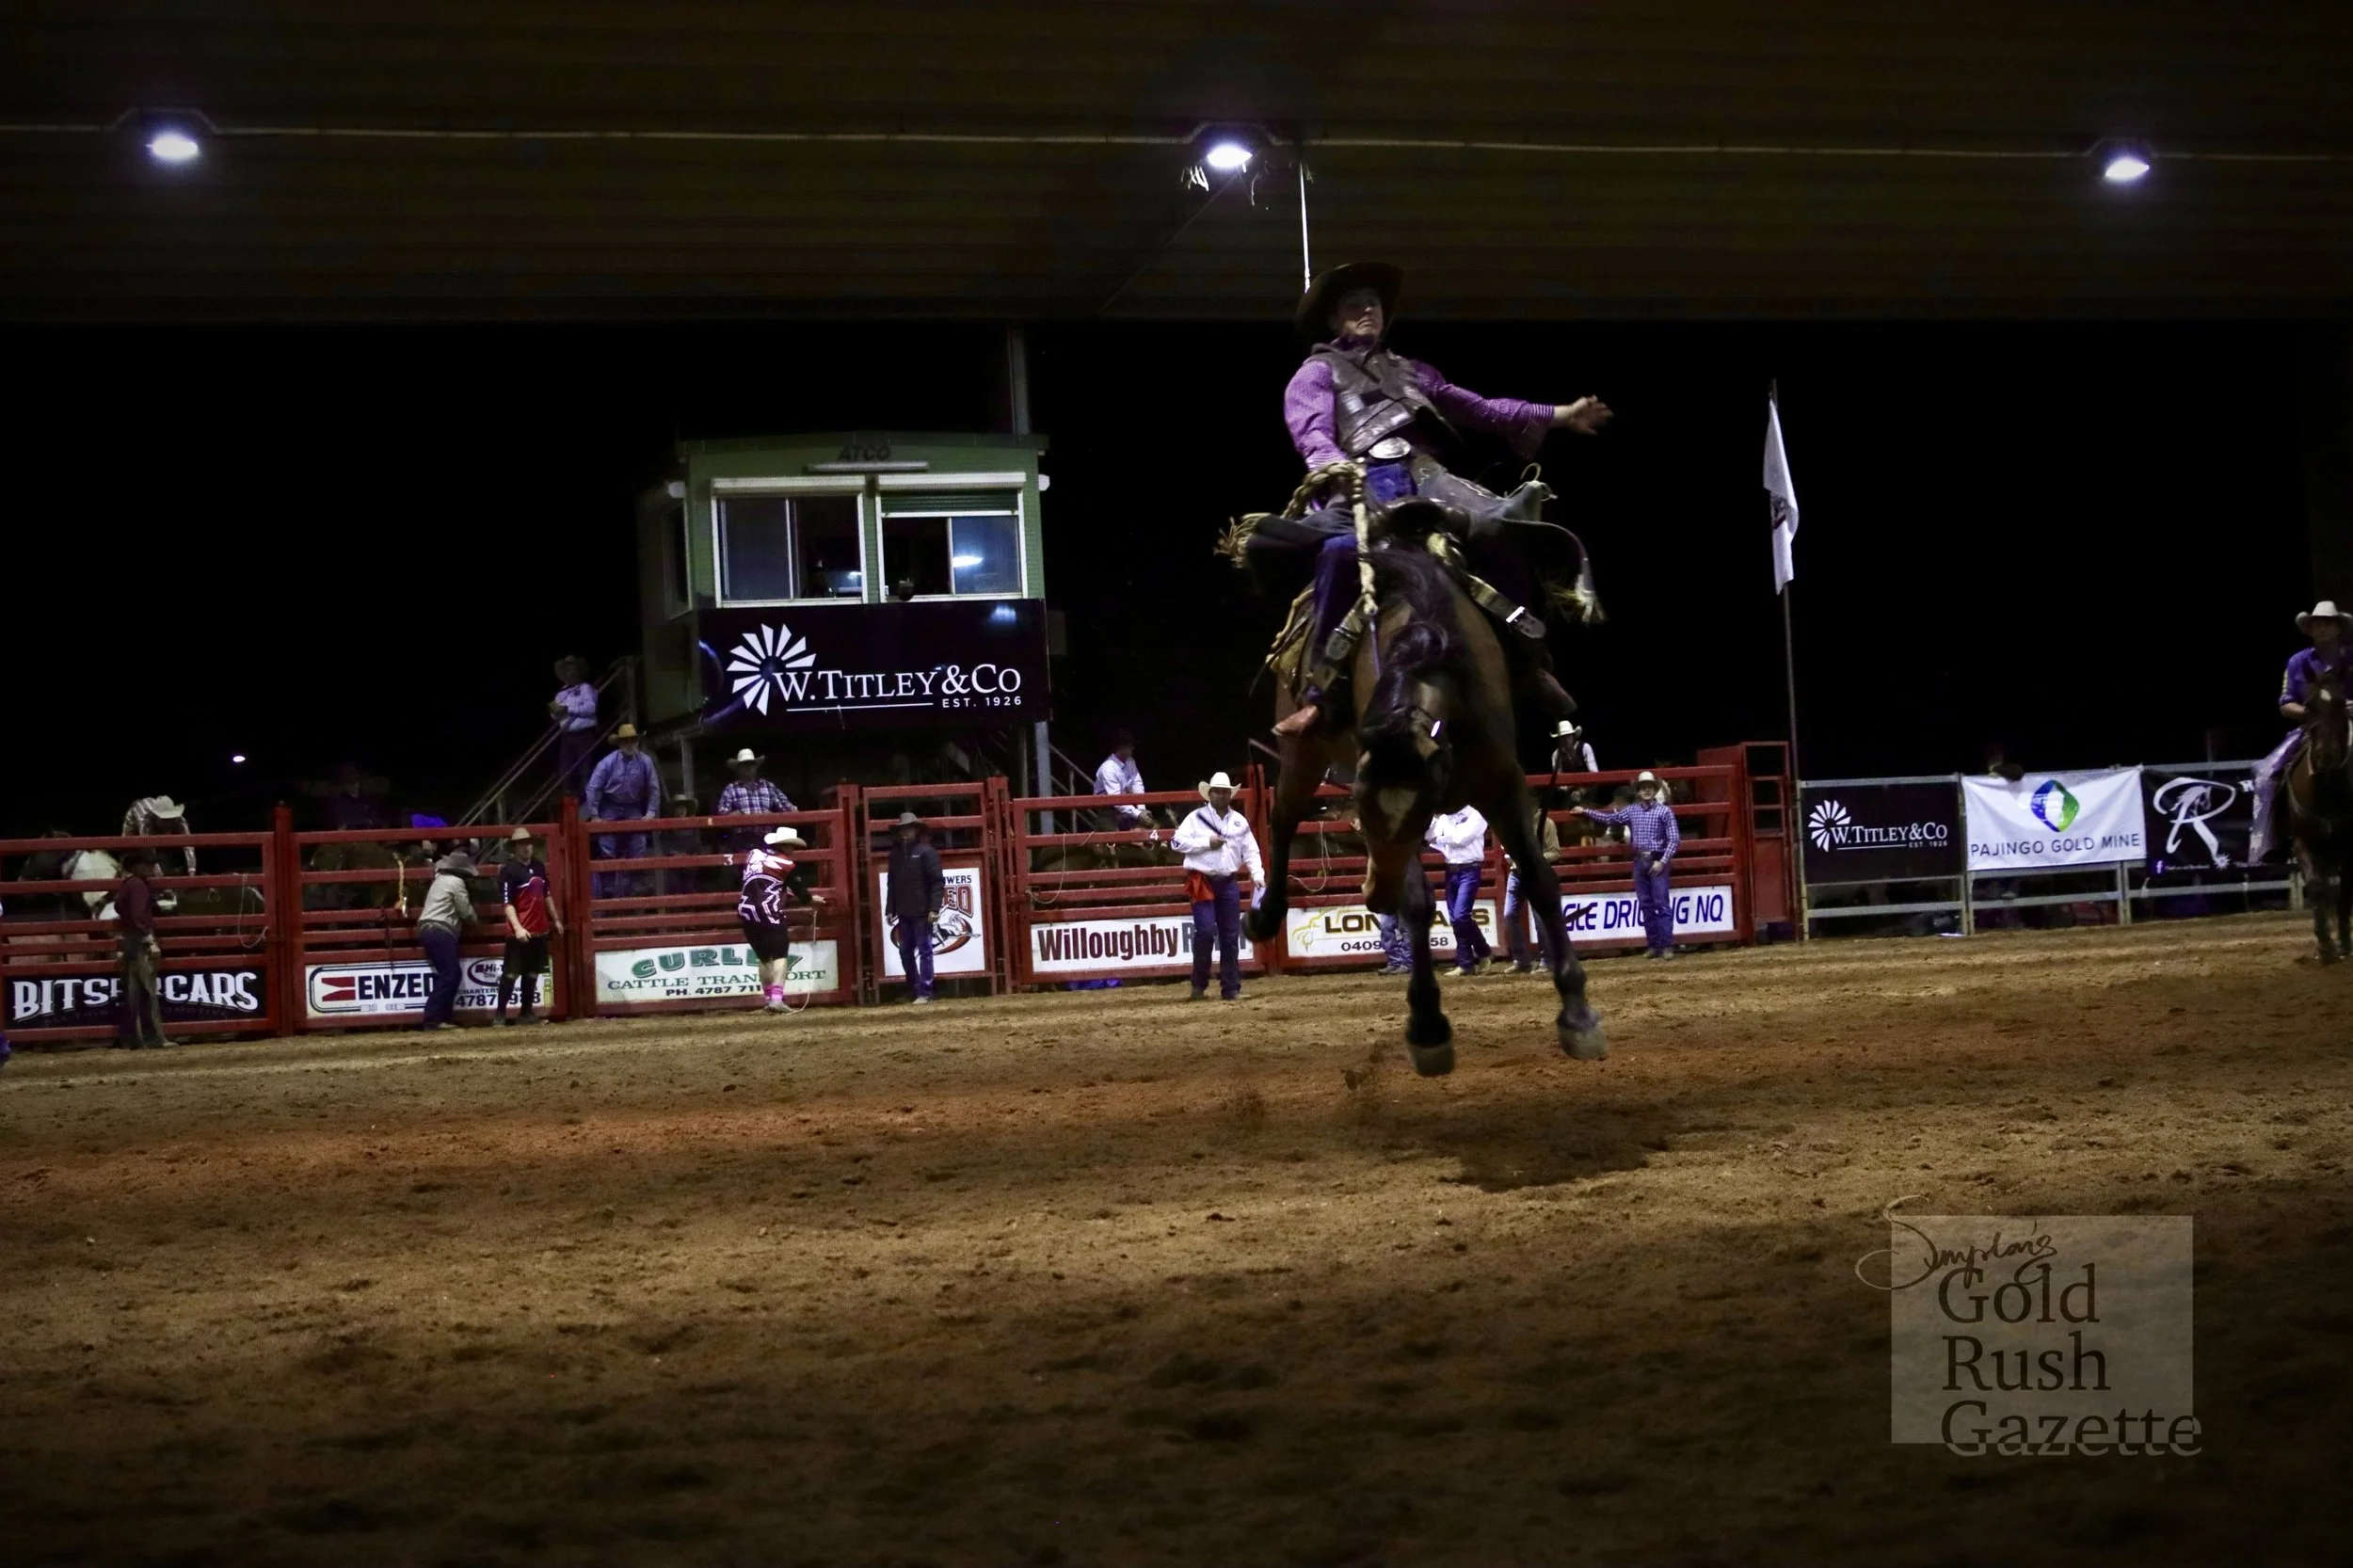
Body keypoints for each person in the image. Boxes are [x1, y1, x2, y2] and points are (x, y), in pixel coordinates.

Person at [1265, 261, 1612, 738]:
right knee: (1339, 554)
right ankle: (1321, 694)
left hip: (1428, 477)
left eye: (1373, 302)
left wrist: (1558, 415)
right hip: (1363, 478)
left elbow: (1481, 409)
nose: (1367, 309)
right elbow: (1314, 437)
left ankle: (1528, 663)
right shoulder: (1315, 374)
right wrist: (1341, 475)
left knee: (1506, 532)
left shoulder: (1414, 373)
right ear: (1332, 319)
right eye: (1353, 304)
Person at [2252, 600, 2352, 862]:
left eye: (2327, 623)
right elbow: (2285, 703)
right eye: (2317, 624)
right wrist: (2313, 713)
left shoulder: (2351, 658)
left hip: (2350, 725)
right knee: (2264, 774)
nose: (2322, 628)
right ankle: (2270, 839)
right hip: (2312, 728)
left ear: (2337, 628)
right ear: (2310, 629)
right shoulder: (2297, 662)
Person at [1172, 772, 1266, 1000]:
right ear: (1210, 794)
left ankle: (1230, 988)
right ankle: (1199, 985)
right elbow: (1176, 842)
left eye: (1225, 792)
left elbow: (1250, 850)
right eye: (1218, 791)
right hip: (1202, 881)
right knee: (1205, 932)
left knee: (1230, 936)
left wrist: (1258, 874)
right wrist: (1206, 843)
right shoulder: (1195, 818)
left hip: (1227, 882)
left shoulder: (1239, 821)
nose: (1222, 795)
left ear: (1229, 795)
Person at [1581, 771, 1681, 959]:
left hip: (1657, 859)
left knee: (1660, 903)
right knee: (1646, 904)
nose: (1646, 791)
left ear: (1654, 790)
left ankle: (1666, 945)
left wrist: (1662, 861)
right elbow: (1609, 818)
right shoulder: (1633, 811)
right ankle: (1654, 945)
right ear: (1639, 791)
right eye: (1643, 788)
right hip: (1640, 860)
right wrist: (1586, 811)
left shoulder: (1664, 812)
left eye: (1649, 788)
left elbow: (1674, 840)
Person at [739, 824, 818, 1014]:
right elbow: (802, 893)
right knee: (780, 955)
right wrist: (813, 900)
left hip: (746, 912)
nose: (793, 850)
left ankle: (768, 999)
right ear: (786, 846)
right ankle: (776, 999)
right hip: (768, 912)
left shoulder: (753, 855)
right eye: (791, 846)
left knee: (764, 957)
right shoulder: (786, 865)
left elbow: (762, 880)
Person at [584, 723, 664, 897]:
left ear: (637, 742)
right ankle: (608, 887)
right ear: (620, 743)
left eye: (633, 741)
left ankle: (636, 884)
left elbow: (654, 788)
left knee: (639, 842)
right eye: (626, 741)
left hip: (632, 805)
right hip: (610, 804)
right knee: (607, 843)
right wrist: (595, 815)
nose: (630, 745)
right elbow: (593, 788)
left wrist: (650, 812)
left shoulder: (645, 761)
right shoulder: (608, 763)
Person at [496, 827, 563, 1025]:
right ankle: (500, 1014)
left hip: (539, 928)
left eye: (528, 843)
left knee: (532, 971)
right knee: (511, 972)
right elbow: (507, 903)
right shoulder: (508, 870)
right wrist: (517, 928)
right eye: (522, 844)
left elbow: (547, 895)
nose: (526, 847)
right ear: (516, 847)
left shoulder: (539, 867)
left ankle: (526, 1013)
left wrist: (555, 919)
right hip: (520, 929)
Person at [1424, 805, 1495, 975]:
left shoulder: (1477, 814)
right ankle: (1466, 963)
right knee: (1457, 918)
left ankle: (1481, 952)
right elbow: (1428, 836)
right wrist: (1434, 826)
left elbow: (1461, 838)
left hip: (1470, 870)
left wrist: (1439, 838)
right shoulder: (1444, 817)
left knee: (1461, 916)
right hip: (1452, 870)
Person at [886, 811, 945, 1004]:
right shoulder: (895, 855)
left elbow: (937, 882)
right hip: (905, 911)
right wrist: (890, 908)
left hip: (921, 910)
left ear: (916, 830)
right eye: (903, 829)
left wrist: (934, 908)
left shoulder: (927, 852)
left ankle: (925, 991)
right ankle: (917, 988)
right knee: (906, 952)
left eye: (908, 828)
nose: (906, 832)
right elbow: (892, 883)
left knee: (924, 950)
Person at [113, 848, 170, 1048]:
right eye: (148, 864)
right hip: (139, 941)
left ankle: (133, 1038)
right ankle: (153, 1037)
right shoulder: (139, 885)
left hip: (130, 940)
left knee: (132, 991)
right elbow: (139, 915)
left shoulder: (127, 885)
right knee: (147, 990)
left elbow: (120, 908)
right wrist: (149, 939)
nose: (152, 867)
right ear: (137, 866)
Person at [416, 850, 478, 1031]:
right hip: (440, 930)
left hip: (430, 929)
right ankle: (433, 1018)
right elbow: (466, 911)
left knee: (449, 973)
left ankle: (442, 1018)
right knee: (450, 974)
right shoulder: (456, 882)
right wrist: (477, 921)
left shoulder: (440, 880)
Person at [715, 748, 795, 850]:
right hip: (741, 840)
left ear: (756, 767)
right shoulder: (731, 789)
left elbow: (790, 810)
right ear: (738, 768)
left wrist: (773, 816)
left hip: (767, 839)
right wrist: (734, 816)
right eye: (745, 764)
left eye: (751, 764)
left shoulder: (768, 786)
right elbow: (721, 816)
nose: (748, 767)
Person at [550, 656, 600, 795]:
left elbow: (591, 708)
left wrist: (568, 710)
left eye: (573, 669)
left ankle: (587, 795)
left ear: (578, 671)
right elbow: (555, 716)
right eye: (567, 670)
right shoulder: (561, 693)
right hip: (567, 734)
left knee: (584, 768)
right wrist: (555, 713)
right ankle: (568, 795)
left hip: (584, 733)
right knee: (565, 767)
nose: (570, 672)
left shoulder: (586, 688)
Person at [121, 794, 197, 878]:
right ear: (156, 817)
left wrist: (192, 872)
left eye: (170, 819)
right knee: (129, 850)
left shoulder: (179, 820)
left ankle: (165, 870)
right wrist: (159, 876)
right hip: (134, 822)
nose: (167, 823)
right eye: (164, 820)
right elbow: (148, 847)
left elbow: (189, 845)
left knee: (163, 849)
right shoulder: (145, 821)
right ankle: (127, 877)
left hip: (155, 825)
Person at [1094, 730, 1147, 829]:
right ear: (1121, 747)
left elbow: (1137, 784)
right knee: (1111, 840)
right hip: (1108, 810)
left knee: (1145, 828)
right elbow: (1116, 799)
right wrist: (1138, 814)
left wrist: (1141, 809)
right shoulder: (1108, 768)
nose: (1133, 748)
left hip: (1126, 806)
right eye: (1130, 745)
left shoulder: (1130, 762)